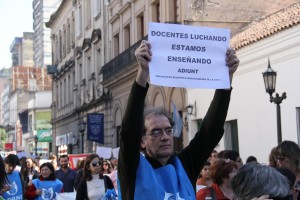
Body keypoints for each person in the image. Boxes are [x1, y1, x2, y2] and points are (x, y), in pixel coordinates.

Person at [118, 40, 239, 199]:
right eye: (156, 132)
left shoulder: (185, 164)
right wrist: (143, 73)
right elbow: (129, 131)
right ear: (141, 141)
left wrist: (226, 78)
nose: (165, 136)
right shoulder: (132, 169)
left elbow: (210, 131)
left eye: (168, 130)